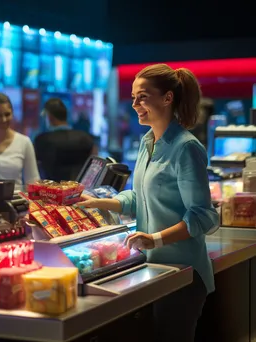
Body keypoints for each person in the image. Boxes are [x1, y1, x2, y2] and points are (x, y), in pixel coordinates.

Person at [78, 64, 219, 342]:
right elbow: (138, 196)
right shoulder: (147, 142)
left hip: (184, 272)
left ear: (167, 98)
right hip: (153, 270)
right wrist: (96, 202)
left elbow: (204, 216)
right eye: (132, 98)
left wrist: (154, 239)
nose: (134, 105)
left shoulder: (186, 147)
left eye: (142, 97)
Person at [0, 92, 40, 190]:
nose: (4, 119)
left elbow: (33, 182)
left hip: (17, 202)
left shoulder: (24, 142)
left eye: (7, 114)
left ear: (12, 114)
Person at [34, 98, 94, 181]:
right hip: (80, 190)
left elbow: (34, 169)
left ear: (49, 117)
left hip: (51, 191)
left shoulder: (42, 140)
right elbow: (95, 166)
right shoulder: (85, 138)